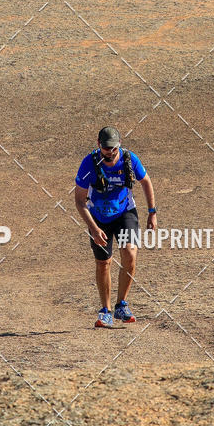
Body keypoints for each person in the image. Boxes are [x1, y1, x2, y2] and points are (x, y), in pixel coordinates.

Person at [74, 126, 157, 328]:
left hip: (124, 212)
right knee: (104, 262)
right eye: (105, 148)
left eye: (113, 148)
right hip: (98, 217)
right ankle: (106, 310)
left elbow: (145, 181)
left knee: (130, 254)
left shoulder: (129, 159)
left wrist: (152, 212)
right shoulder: (89, 164)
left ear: (119, 145)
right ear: (98, 145)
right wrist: (93, 228)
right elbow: (79, 200)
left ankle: (122, 304)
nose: (109, 152)